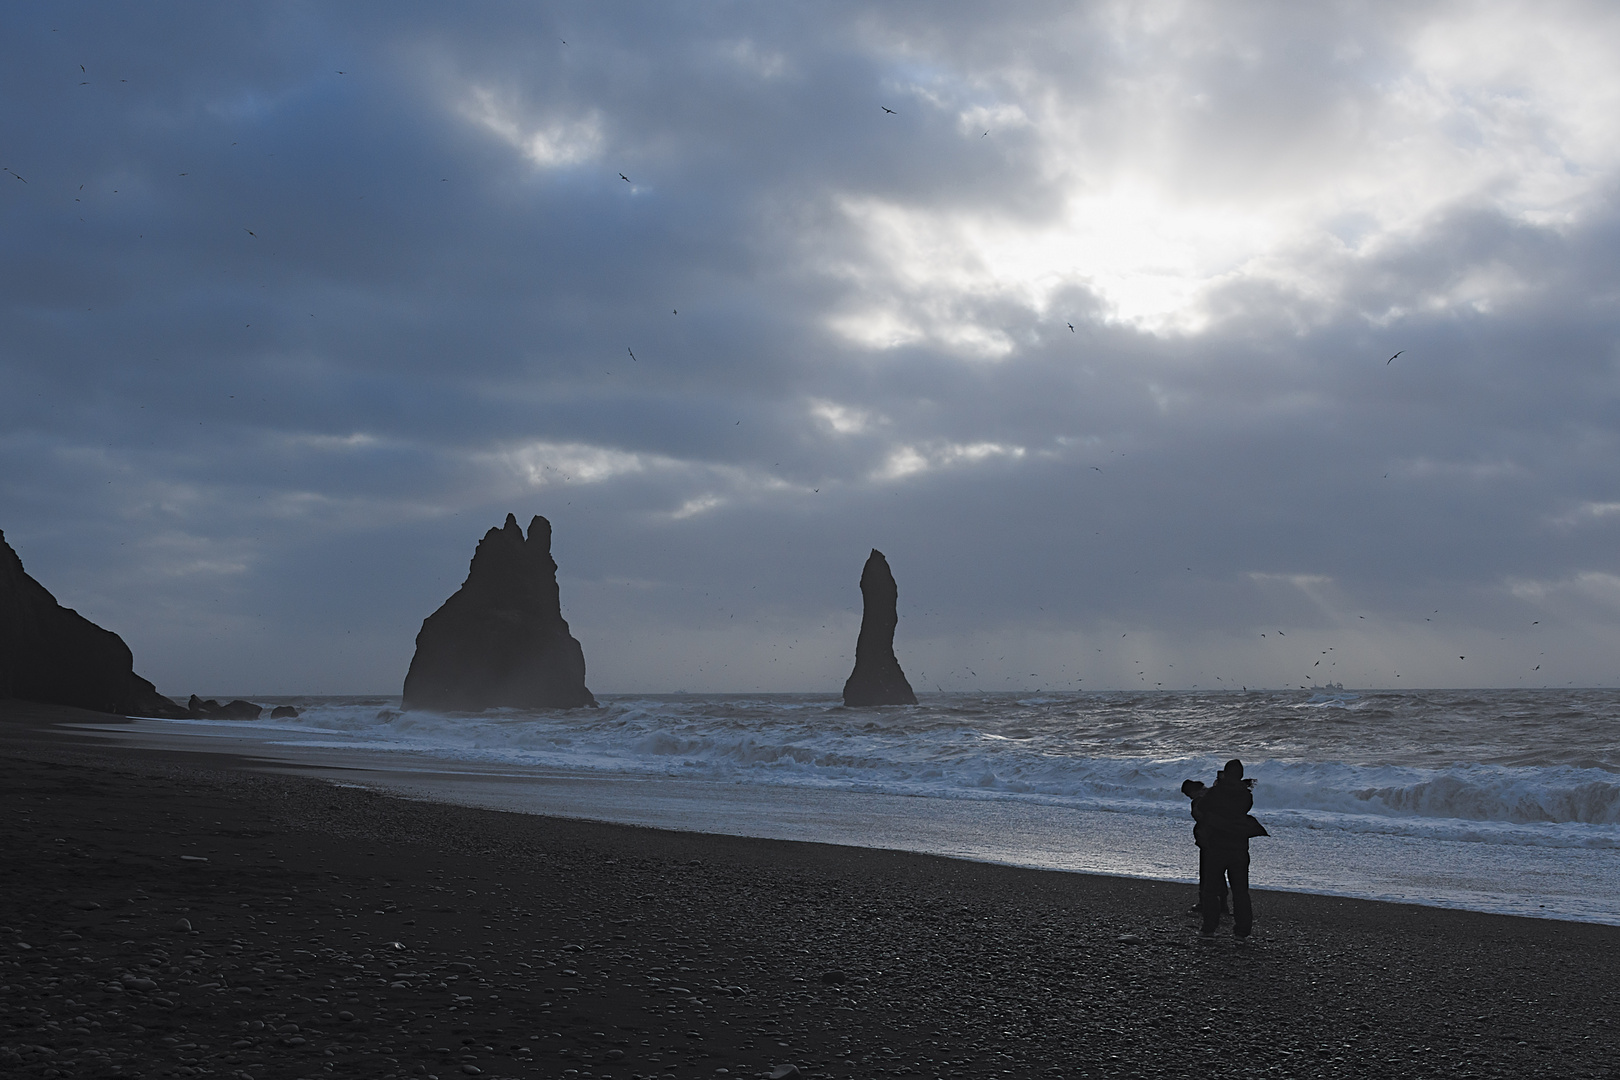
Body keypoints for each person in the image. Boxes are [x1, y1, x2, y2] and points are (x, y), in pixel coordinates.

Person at [1188, 758, 1268, 938]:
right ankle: (1242, 931)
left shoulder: (1216, 791)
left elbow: (1203, 807)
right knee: (1240, 890)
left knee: (1210, 890)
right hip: (1239, 845)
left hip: (1217, 845)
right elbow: (1244, 809)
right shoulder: (1246, 794)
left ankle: (1209, 928)